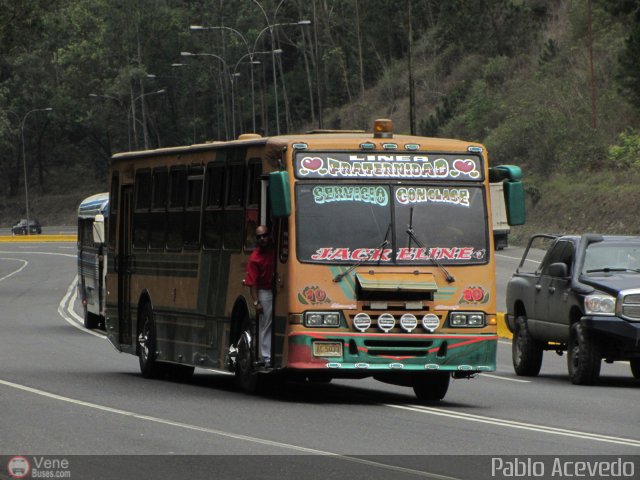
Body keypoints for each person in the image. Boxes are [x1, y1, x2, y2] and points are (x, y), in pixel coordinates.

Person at [243, 225, 275, 368]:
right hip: (265, 293)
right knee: (266, 325)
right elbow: (252, 284)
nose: (263, 238)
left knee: (270, 324)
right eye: (259, 237)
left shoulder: (275, 251)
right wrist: (256, 302)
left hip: (278, 291)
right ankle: (266, 357)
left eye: (265, 235)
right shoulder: (254, 258)